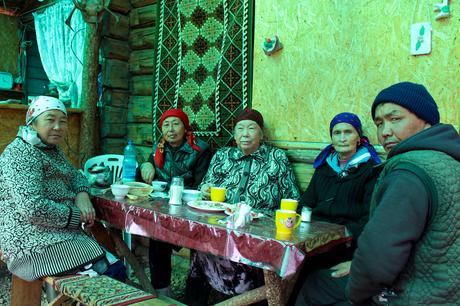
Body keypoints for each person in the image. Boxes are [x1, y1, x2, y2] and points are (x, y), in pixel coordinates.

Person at [295, 82, 460, 305]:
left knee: (313, 286)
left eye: (395, 119)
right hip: (439, 281)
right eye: (379, 123)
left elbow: (377, 258)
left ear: (426, 121)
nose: (385, 132)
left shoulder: (406, 171)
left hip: (415, 291)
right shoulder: (446, 158)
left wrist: (356, 294)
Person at [0, 96, 125, 284]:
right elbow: (33, 208)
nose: (58, 127)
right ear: (32, 123)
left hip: (55, 233)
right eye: (50, 120)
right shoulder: (21, 153)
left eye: (63, 121)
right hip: (32, 243)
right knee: (112, 273)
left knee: (115, 266)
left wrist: (82, 195)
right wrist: (79, 216)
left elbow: (76, 176)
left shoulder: (50, 149)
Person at [186, 108, 300, 305]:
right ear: (235, 134)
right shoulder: (223, 156)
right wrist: (205, 188)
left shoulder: (276, 158)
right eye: (240, 128)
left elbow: (292, 199)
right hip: (221, 224)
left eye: (251, 128)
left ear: (261, 134)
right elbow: (206, 185)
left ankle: (249, 298)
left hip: (260, 231)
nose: (245, 134)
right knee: (200, 245)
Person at [289, 112, 381, 305]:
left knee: (309, 278)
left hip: (345, 245)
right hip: (314, 241)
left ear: (359, 137)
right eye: (337, 133)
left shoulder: (370, 170)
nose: (342, 138)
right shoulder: (324, 168)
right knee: (286, 271)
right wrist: (299, 222)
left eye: (348, 132)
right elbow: (306, 203)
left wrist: (345, 235)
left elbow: (369, 219)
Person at [137, 108, 212, 296]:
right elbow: (144, 175)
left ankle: (195, 297)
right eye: (166, 125)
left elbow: (202, 184)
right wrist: (145, 165)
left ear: (185, 127)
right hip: (165, 209)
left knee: (200, 247)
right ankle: (162, 291)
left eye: (175, 124)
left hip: (191, 211)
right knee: (157, 237)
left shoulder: (200, 149)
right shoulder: (159, 148)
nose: (170, 129)